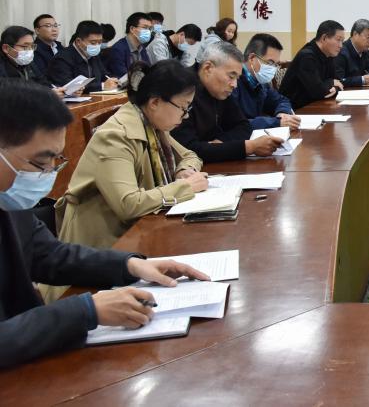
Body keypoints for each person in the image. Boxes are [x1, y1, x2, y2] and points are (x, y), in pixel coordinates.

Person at [0, 79, 209, 370]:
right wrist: (86, 310)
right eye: (38, 164)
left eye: (55, 162)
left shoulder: (9, 199)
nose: (47, 175)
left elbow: (49, 255)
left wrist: (131, 265)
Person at [57, 61, 209, 249]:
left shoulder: (153, 124)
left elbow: (190, 156)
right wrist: (184, 187)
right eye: (183, 107)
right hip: (101, 244)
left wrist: (184, 171)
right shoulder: (115, 136)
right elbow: (128, 204)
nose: (185, 116)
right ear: (155, 102)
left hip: (138, 228)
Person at [170, 41, 281, 163]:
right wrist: (249, 147)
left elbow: (243, 126)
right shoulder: (181, 90)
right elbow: (188, 150)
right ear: (208, 68)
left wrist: (219, 144)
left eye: (237, 78)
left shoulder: (219, 90)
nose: (234, 85)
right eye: (231, 76)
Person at [233, 33, 300, 130]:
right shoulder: (232, 83)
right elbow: (236, 124)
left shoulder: (261, 82)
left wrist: (282, 113)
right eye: (270, 62)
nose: (273, 68)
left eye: (276, 64)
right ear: (252, 58)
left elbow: (281, 100)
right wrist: (277, 122)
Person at [280, 20, 346, 109]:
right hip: (293, 109)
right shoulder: (307, 56)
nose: (341, 45)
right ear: (324, 38)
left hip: (316, 105)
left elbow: (339, 83)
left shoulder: (329, 54)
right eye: (338, 40)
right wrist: (331, 83)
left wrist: (332, 85)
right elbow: (318, 92)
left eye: (342, 41)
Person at [46, 20, 119, 94]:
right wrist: (102, 86)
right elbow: (69, 86)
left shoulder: (94, 55)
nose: (97, 46)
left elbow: (104, 75)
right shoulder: (62, 59)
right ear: (78, 41)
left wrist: (113, 80)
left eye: (100, 42)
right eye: (93, 42)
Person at [103, 12, 153, 79]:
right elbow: (122, 76)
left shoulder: (142, 48)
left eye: (150, 29)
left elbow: (148, 70)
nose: (148, 31)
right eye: (145, 27)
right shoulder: (118, 49)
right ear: (132, 29)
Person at [336, 19, 369, 87]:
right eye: (368, 37)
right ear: (355, 34)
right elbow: (339, 80)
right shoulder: (341, 52)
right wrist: (361, 79)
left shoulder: (366, 51)